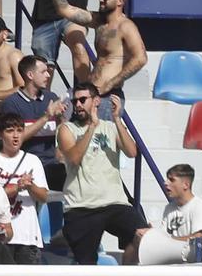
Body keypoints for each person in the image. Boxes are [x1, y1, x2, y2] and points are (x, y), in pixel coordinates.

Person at [58, 82, 150, 264]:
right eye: (75, 101)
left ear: (96, 101)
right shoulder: (67, 129)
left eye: (83, 100)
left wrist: (117, 119)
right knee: (88, 270)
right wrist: (92, 127)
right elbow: (75, 158)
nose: (78, 105)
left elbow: (132, 152)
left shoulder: (110, 127)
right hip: (81, 206)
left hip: (113, 202)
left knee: (145, 237)